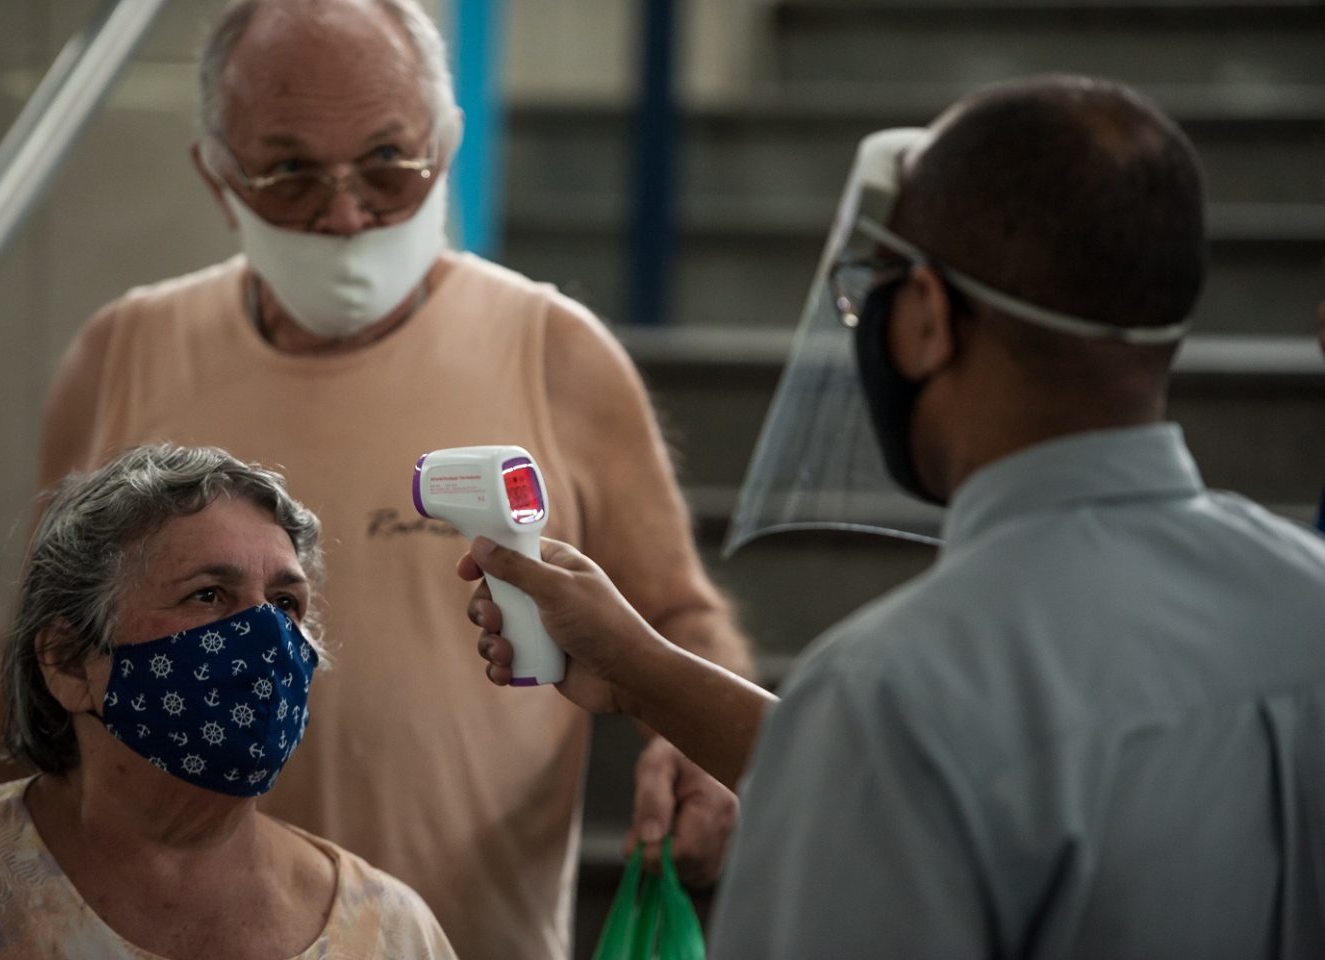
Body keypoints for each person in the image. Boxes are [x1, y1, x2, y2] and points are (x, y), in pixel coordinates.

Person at [460, 74, 1325, 957]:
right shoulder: (1306, 600)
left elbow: (915, 759)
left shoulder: (892, 694)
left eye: (871, 293)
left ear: (924, 321)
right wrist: (644, 668)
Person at [0, 1, 751, 956]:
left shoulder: (556, 353)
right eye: (289, 172)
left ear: (446, 146)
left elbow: (676, 612)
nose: (344, 214)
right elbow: (32, 661)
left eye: (389, 165)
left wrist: (694, 742)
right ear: (218, 175)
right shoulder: (121, 354)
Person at [0, 445, 455, 958]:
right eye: (208, 595)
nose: (266, 637)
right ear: (67, 661)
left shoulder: (390, 932)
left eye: (285, 603)